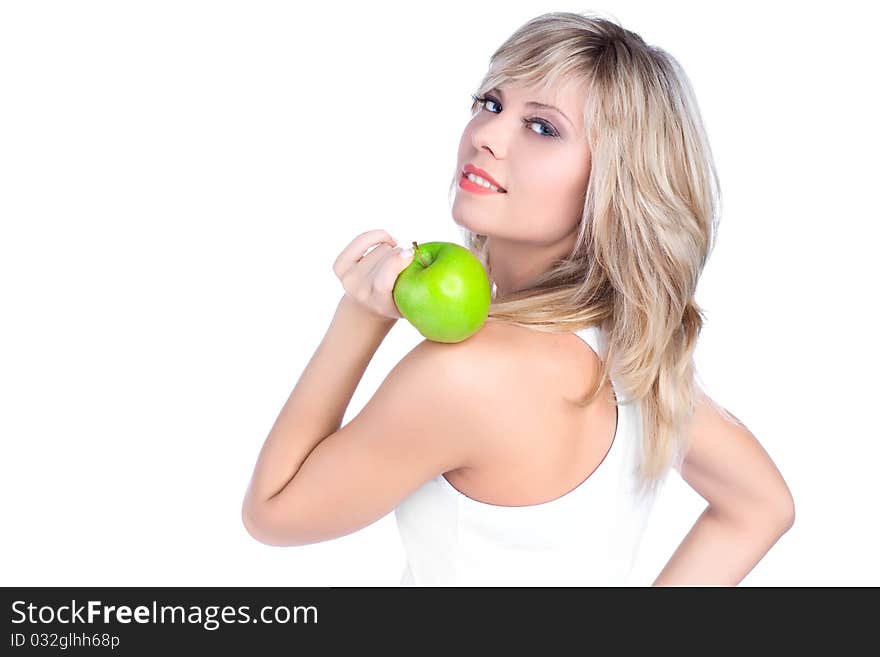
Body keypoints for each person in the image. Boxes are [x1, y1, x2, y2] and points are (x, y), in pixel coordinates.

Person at [241, 11, 795, 586]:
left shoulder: (469, 372)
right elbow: (760, 505)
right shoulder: (633, 360)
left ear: (613, 183)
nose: (486, 135)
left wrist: (360, 315)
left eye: (543, 128)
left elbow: (273, 513)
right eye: (490, 103)